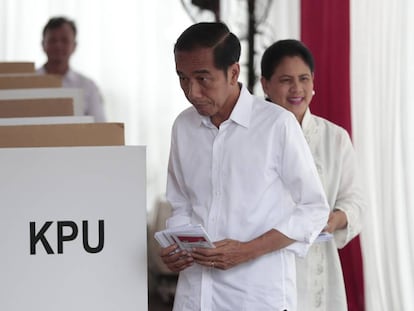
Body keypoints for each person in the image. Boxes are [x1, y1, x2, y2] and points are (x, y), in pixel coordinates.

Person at [159, 22, 330, 311]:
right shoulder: (183, 126)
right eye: (183, 78)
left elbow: (314, 209)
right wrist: (176, 248)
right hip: (194, 296)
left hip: (257, 296)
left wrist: (247, 251)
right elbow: (181, 204)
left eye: (203, 79)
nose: (192, 92)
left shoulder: (277, 125)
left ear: (233, 73)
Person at [260, 39, 365, 311]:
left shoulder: (335, 138)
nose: (297, 89)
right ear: (265, 85)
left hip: (318, 264)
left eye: (303, 78)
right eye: (286, 80)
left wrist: (335, 219)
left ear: (313, 81)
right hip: (263, 263)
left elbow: (355, 202)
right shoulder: (251, 138)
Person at [37, 16, 106, 122]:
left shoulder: (88, 87)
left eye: (64, 40)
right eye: (52, 40)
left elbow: (100, 127)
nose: (58, 45)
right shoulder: (27, 82)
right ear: (43, 44)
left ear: (74, 45)